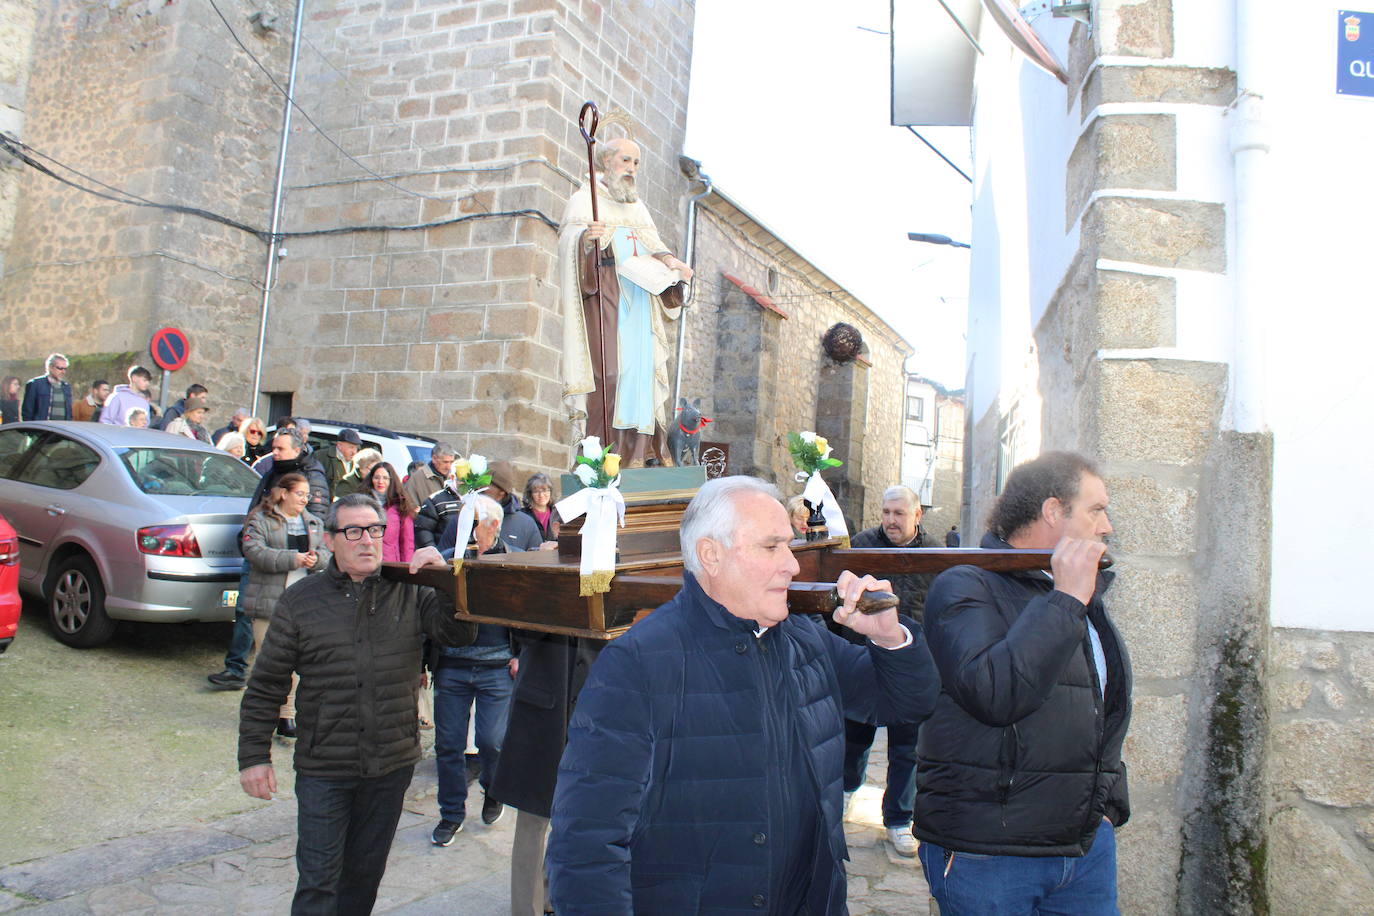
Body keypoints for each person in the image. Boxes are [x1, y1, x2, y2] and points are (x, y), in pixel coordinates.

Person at [546, 476, 940, 914]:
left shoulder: (804, 641)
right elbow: (586, 845)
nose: (792, 565)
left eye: (788, 547)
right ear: (710, 555)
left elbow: (907, 703)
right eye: (771, 547)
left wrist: (889, 639)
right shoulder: (636, 664)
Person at [237, 494, 476, 914]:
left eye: (375, 530)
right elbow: (267, 683)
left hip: (390, 763)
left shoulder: (410, 592)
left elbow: (458, 636)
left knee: (364, 877)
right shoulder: (301, 601)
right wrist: (253, 756)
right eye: (354, 531)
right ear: (331, 540)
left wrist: (444, 581)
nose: (367, 540)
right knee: (318, 882)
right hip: (325, 766)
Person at [916, 452, 1130, 915]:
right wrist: (1067, 598)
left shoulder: (1075, 590)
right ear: (1054, 511)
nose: (1106, 525)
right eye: (1096, 510)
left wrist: (1108, 805)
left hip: (1084, 848)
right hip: (990, 853)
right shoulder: (964, 586)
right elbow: (997, 694)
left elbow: (1101, 708)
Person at [557, 136, 693, 467]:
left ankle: (638, 455)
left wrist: (672, 262)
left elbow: (653, 244)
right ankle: (603, 456)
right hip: (606, 298)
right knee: (611, 375)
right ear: (606, 163)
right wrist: (586, 242)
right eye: (625, 161)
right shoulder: (583, 201)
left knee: (641, 380)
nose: (631, 169)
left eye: (636, 163)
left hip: (640, 303)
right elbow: (568, 246)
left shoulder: (638, 207)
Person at [843, 485, 935, 857]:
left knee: (907, 746)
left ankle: (899, 819)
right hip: (866, 656)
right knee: (855, 733)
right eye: (886, 513)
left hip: (913, 659)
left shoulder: (935, 557)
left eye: (899, 513)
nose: (891, 520)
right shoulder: (862, 546)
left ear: (917, 515)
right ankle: (847, 791)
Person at [206, 429, 329, 693]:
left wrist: (304, 555)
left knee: (282, 643)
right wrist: (249, 536)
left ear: (297, 450)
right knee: (247, 612)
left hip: (290, 569)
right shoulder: (275, 469)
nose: (274, 452)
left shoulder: (310, 477)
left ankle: (280, 707)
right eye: (273, 448)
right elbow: (258, 507)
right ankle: (237, 669)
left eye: (280, 449)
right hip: (265, 555)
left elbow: (315, 526)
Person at [430, 494, 520, 846]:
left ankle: (494, 789)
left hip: (497, 666)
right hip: (452, 664)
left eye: (473, 524)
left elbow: (525, 612)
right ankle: (451, 814)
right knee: (448, 744)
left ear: (493, 526)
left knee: (491, 742)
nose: (464, 530)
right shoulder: (450, 559)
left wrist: (521, 654)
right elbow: (431, 607)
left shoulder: (513, 562)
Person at [241, 473, 330, 739]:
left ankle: (287, 714)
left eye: (307, 495)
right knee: (268, 661)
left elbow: (327, 553)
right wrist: (293, 559)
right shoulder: (261, 519)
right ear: (284, 493)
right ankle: (260, 711)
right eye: (300, 494)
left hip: (303, 602)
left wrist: (317, 561)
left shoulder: (313, 522)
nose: (305, 499)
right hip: (269, 601)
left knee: (298, 664)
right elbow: (255, 552)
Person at [437, 460, 542, 555]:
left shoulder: (526, 524)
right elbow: (443, 561)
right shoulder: (463, 517)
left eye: (485, 484)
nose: (478, 487)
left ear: (502, 491)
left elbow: (535, 566)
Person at [367, 461, 416, 563]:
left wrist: (407, 568)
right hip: (366, 562)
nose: (380, 481)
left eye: (385, 478)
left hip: (391, 564)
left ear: (391, 480)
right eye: (376, 477)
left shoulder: (401, 504)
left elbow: (407, 542)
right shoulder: (362, 503)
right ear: (371, 479)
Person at [402, 442, 456, 513]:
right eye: (445, 462)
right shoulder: (417, 478)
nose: (449, 467)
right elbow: (409, 506)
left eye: (451, 462)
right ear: (434, 459)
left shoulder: (455, 477)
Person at [21, 353, 73, 421]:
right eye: (60, 368)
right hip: (42, 428)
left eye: (65, 369)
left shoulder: (66, 387)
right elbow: (27, 412)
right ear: (50, 367)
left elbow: (69, 412)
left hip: (61, 429)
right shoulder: (35, 384)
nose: (63, 371)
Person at [319, 427, 363, 498]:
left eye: (356, 448)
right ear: (339, 445)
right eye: (351, 447)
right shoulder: (321, 457)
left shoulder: (356, 462)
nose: (354, 452)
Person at [519, 472, 559, 547]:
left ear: (551, 492)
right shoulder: (523, 515)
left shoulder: (557, 514)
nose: (541, 495)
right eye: (536, 491)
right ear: (530, 494)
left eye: (545, 490)